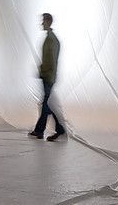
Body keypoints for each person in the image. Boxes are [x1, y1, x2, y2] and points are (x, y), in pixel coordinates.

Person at [28, 13, 66, 141]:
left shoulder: (52, 39)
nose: (42, 23)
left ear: (48, 21)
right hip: (47, 75)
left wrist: (43, 71)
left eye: (43, 21)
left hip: (48, 76)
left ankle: (59, 130)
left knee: (47, 105)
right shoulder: (50, 38)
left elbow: (51, 60)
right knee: (47, 104)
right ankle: (40, 131)